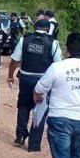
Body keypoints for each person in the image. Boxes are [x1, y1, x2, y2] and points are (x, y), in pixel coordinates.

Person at [7, 18, 62, 151]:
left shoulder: (24, 39)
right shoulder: (52, 43)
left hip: (25, 78)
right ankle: (34, 144)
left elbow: (14, 59)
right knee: (40, 111)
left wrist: (10, 76)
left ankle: (20, 136)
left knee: (23, 105)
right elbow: (58, 64)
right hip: (43, 81)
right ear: (48, 29)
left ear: (34, 27)